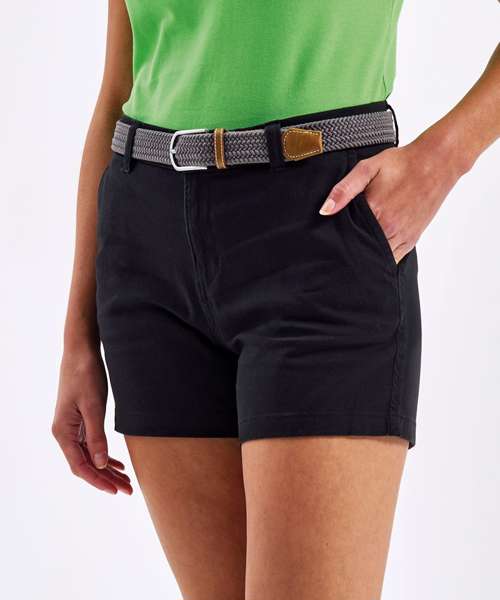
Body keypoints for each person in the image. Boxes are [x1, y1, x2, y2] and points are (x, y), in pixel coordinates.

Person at [52, 1, 500, 598]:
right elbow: (119, 86)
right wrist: (78, 336)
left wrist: (444, 158)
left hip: (323, 226)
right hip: (147, 249)